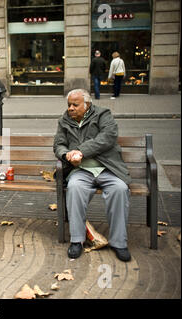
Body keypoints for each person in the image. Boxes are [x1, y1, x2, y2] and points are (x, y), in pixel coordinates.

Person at [53, 89, 132, 262]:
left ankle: (119, 242)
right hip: (81, 170)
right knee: (74, 188)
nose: (71, 108)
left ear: (87, 104)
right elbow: (58, 144)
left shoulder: (103, 114)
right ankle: (77, 240)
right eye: (69, 105)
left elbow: (107, 137)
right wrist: (66, 155)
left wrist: (81, 151)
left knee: (120, 189)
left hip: (107, 168)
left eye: (75, 104)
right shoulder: (64, 120)